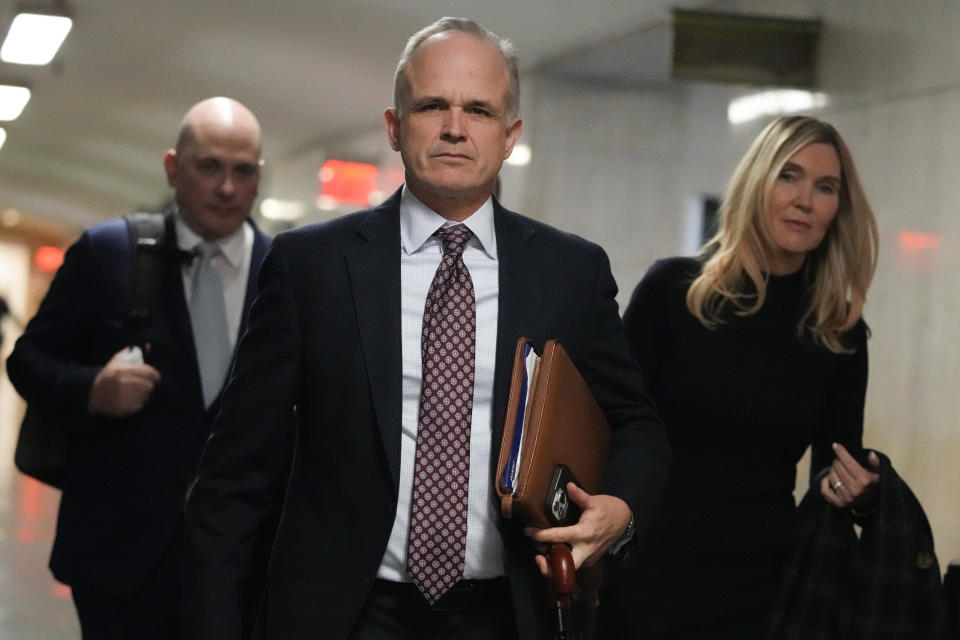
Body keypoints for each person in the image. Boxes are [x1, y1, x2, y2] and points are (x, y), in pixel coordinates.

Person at [182, 17, 669, 640]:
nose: (455, 128)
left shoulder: (570, 272)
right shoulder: (312, 268)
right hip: (345, 616)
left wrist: (620, 508)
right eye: (432, 105)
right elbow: (232, 479)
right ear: (394, 126)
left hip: (508, 614)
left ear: (511, 135)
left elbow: (638, 424)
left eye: (480, 110)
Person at [602, 115, 882, 639]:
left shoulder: (838, 332)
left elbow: (833, 467)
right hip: (643, 569)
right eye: (789, 176)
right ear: (758, 184)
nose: (805, 200)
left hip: (761, 586)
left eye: (825, 188)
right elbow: (608, 424)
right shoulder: (674, 291)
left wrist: (862, 491)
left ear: (837, 210)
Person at [6, 97, 272, 639]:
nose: (226, 187)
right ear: (174, 168)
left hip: (238, 563)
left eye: (242, 171)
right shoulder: (110, 253)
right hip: (119, 558)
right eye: (209, 167)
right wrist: (91, 389)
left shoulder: (284, 270)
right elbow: (27, 361)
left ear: (259, 176)